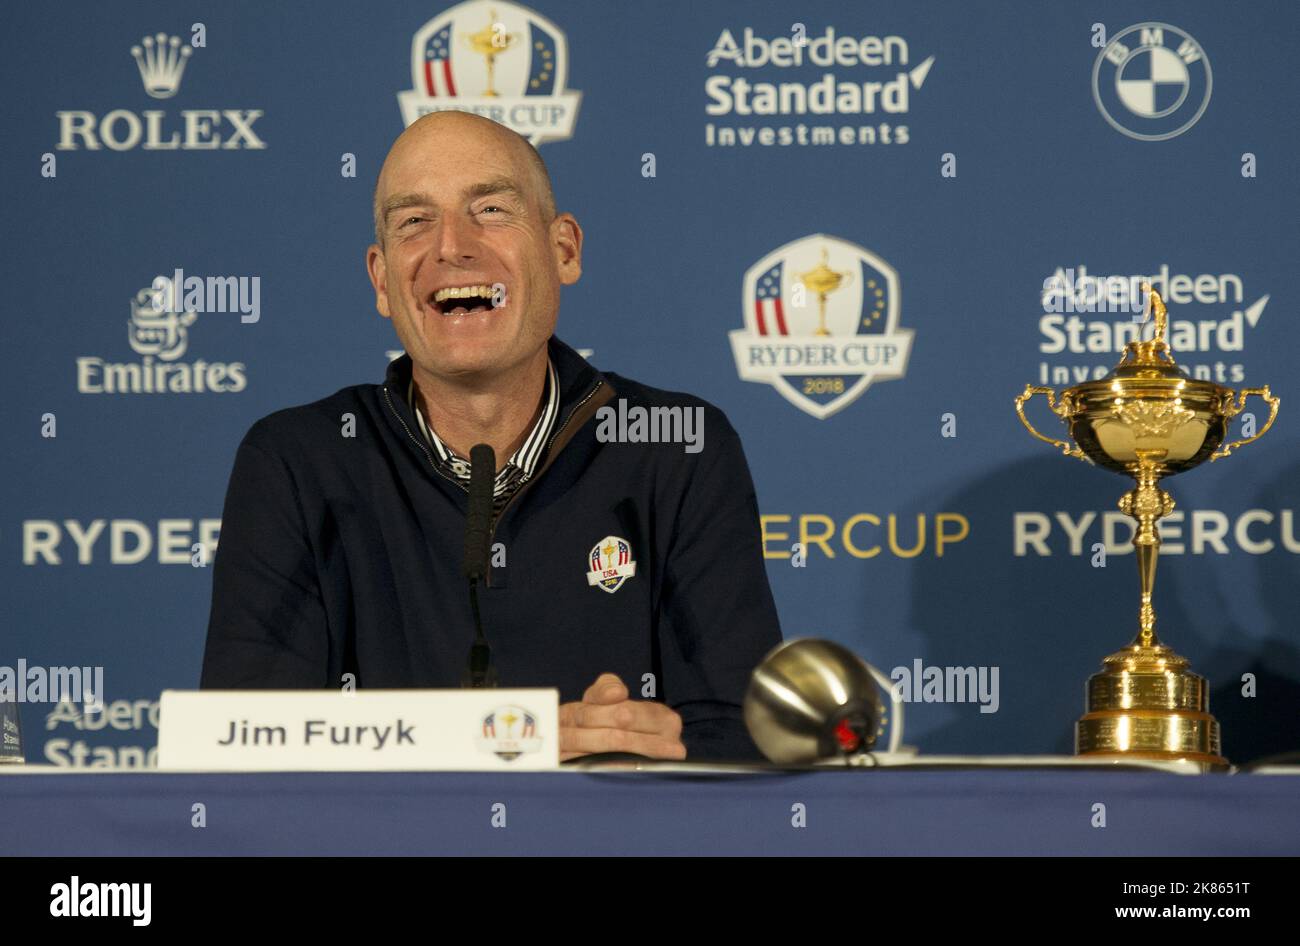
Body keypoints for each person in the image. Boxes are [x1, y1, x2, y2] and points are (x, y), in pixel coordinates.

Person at [200, 111, 783, 761]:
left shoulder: (678, 447)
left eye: (492, 209)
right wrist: (514, 742)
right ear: (382, 280)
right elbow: (244, 750)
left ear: (564, 249)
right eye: (414, 221)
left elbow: (740, 739)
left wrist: (624, 767)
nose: (453, 245)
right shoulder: (296, 461)